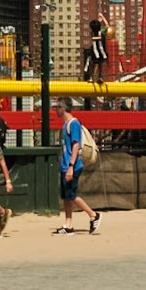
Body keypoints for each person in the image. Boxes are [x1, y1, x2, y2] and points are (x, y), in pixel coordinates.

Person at [53, 100, 101, 235]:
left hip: (72, 165)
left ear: (62, 108)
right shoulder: (66, 125)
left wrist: (71, 166)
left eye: (56, 107)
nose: (54, 110)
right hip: (65, 165)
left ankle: (93, 215)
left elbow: (75, 145)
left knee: (72, 195)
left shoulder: (73, 124)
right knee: (66, 197)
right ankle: (68, 225)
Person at [83, 20, 108, 85]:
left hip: (94, 51)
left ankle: (91, 77)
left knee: (92, 64)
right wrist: (102, 18)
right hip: (101, 52)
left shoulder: (92, 33)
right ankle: (100, 77)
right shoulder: (101, 32)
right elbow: (107, 26)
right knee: (100, 64)